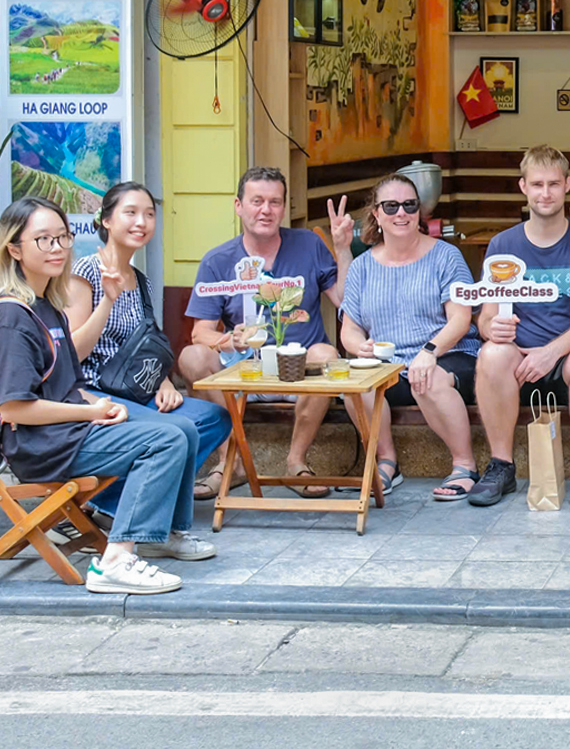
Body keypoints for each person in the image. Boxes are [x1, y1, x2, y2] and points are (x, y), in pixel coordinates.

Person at [1, 197, 216, 595]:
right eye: (42, 240)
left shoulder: (45, 305)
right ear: (14, 249)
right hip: (43, 444)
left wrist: (109, 301)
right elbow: (12, 407)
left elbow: (66, 375)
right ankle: (116, 560)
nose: (57, 248)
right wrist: (88, 413)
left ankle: (163, 532)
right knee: (165, 439)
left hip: (70, 428)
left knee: (184, 428)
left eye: (62, 237)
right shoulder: (12, 316)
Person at [177, 166, 353, 498]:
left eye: (274, 202)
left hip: (302, 371)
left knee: (327, 355)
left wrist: (342, 248)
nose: (266, 210)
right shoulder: (218, 260)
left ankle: (296, 461)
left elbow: (343, 301)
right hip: (243, 370)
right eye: (257, 201)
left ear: (284, 207)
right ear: (238, 206)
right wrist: (228, 339)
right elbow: (200, 334)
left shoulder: (308, 246)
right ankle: (232, 460)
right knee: (192, 357)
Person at [64, 182, 232, 505]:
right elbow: (73, 354)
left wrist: (164, 381)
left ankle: (111, 502)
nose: (141, 222)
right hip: (92, 391)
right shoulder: (85, 272)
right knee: (177, 430)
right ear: (106, 220)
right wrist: (106, 303)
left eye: (149, 214)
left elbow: (144, 345)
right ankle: (129, 507)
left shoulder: (141, 280)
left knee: (215, 419)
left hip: (136, 389)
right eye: (130, 213)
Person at [471, 145, 570, 506]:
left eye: (554, 183)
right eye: (537, 184)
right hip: (518, 360)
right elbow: (485, 316)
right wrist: (492, 329)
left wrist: (551, 353)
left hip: (568, 359)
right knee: (490, 354)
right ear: (523, 187)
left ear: (568, 185)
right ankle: (501, 465)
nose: (546, 193)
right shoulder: (503, 244)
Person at [339, 173, 480, 500]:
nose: (401, 213)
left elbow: (460, 320)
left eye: (409, 205)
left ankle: (465, 465)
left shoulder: (446, 256)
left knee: (428, 378)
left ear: (420, 212)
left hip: (449, 355)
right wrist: (357, 346)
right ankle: (386, 462)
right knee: (354, 384)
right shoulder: (361, 267)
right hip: (391, 365)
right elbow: (350, 325)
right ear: (376, 213)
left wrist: (430, 351)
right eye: (391, 206)